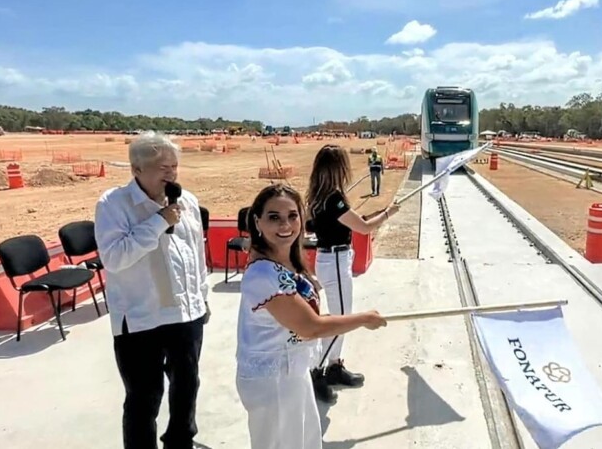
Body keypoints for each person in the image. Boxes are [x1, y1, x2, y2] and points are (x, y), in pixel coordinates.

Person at [235, 183, 387, 449]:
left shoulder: (285, 262)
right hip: (272, 380)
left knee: (303, 441)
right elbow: (310, 327)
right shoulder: (263, 274)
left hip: (293, 369)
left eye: (293, 216)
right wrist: (363, 319)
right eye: (274, 217)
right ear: (257, 221)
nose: (285, 225)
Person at [95, 131, 211, 449]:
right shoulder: (113, 204)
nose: (171, 174)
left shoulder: (187, 201)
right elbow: (115, 257)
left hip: (186, 315)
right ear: (137, 170)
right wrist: (159, 221)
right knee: (143, 398)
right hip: (139, 320)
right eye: (162, 168)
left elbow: (195, 255)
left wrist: (202, 297)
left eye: (174, 166)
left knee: (187, 386)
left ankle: (180, 442)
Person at [305, 144, 400, 403]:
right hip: (335, 259)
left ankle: (334, 365)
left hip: (332, 259)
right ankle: (318, 372)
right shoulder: (333, 198)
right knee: (340, 320)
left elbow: (340, 223)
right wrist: (388, 213)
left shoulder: (318, 195)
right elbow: (364, 228)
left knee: (340, 317)